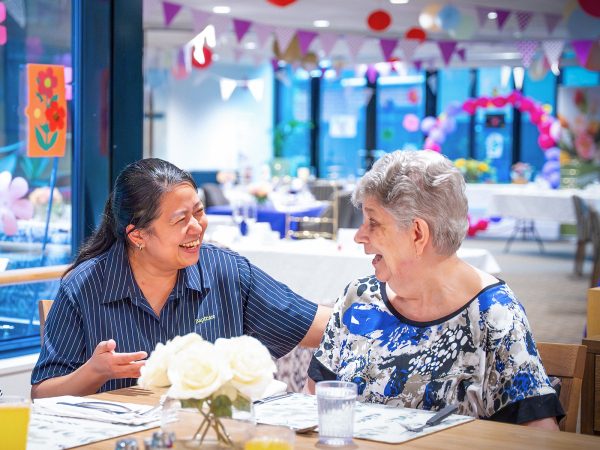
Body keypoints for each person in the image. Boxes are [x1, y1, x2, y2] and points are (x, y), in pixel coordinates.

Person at [307, 150, 563, 430]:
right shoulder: (359, 297)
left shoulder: (494, 314)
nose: (359, 236)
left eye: (373, 222)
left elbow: (540, 438)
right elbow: (314, 403)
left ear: (417, 233)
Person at [31, 158, 330, 398]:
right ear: (138, 236)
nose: (197, 228)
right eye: (180, 220)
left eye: (198, 213)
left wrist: (373, 300)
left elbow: (324, 326)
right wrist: (96, 371)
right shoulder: (85, 286)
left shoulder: (225, 272)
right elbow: (42, 393)